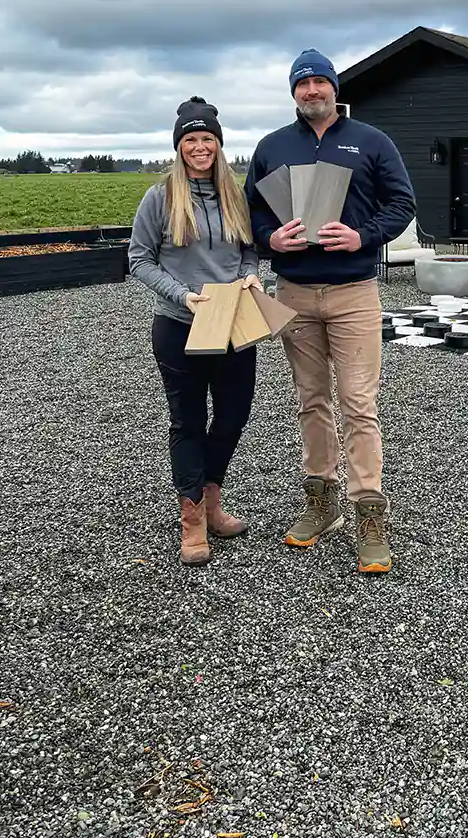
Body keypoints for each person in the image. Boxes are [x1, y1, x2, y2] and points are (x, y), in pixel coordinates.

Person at [244, 49, 415, 574]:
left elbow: (401, 203)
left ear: (333, 88)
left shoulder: (371, 141)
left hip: (353, 294)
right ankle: (322, 503)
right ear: (293, 92)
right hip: (294, 292)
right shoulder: (272, 147)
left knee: (359, 403)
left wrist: (362, 235)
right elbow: (249, 212)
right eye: (303, 84)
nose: (312, 91)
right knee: (311, 401)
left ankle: (370, 514)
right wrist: (270, 237)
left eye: (320, 81)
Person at [129, 97, 262, 566]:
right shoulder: (160, 197)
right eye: (191, 140)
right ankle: (191, 518)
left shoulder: (234, 195)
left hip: (231, 323)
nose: (200, 147)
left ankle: (211, 501)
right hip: (180, 325)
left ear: (219, 145)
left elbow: (249, 251)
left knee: (232, 417)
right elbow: (139, 259)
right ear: (179, 146)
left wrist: (250, 274)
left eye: (207, 139)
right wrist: (181, 294)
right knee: (187, 420)